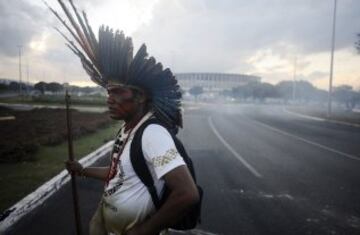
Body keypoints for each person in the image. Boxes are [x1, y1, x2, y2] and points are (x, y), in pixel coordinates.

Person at [47, 1, 200, 234]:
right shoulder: (129, 129)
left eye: (117, 92)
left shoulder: (152, 134)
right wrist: (82, 170)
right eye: (108, 92)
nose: (109, 98)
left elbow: (187, 193)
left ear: (139, 97)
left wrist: (144, 230)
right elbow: (117, 173)